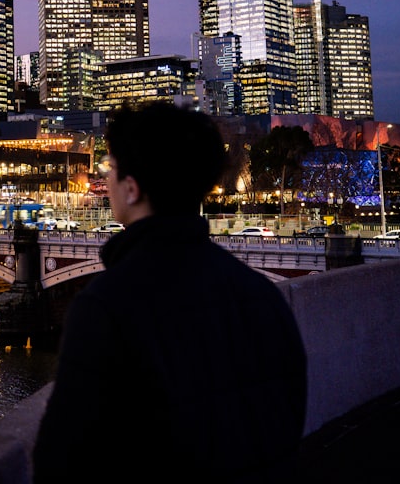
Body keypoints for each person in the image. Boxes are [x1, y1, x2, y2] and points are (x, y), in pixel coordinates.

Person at [33, 103, 307, 482]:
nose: (106, 180)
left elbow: (61, 459)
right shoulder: (264, 295)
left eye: (110, 169)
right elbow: (290, 419)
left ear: (132, 189)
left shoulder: (106, 307)